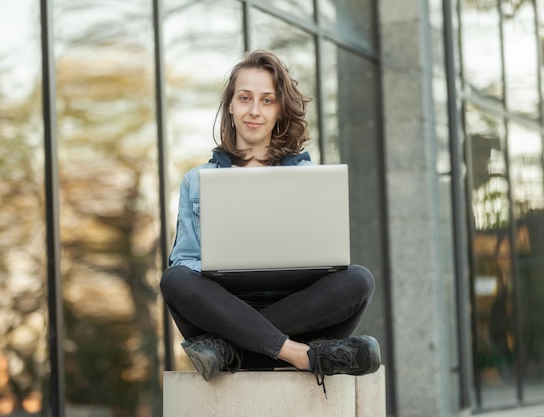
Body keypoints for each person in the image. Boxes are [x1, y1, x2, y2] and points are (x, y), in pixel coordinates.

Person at [159, 50, 380, 395]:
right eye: (245, 98)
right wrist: (217, 272)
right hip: (224, 307)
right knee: (175, 279)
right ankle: (304, 356)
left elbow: (330, 259)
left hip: (298, 310)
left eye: (267, 100)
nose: (254, 111)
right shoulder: (197, 180)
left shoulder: (311, 178)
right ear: (230, 105)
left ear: (279, 110)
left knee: (358, 279)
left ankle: (230, 351)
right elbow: (185, 260)